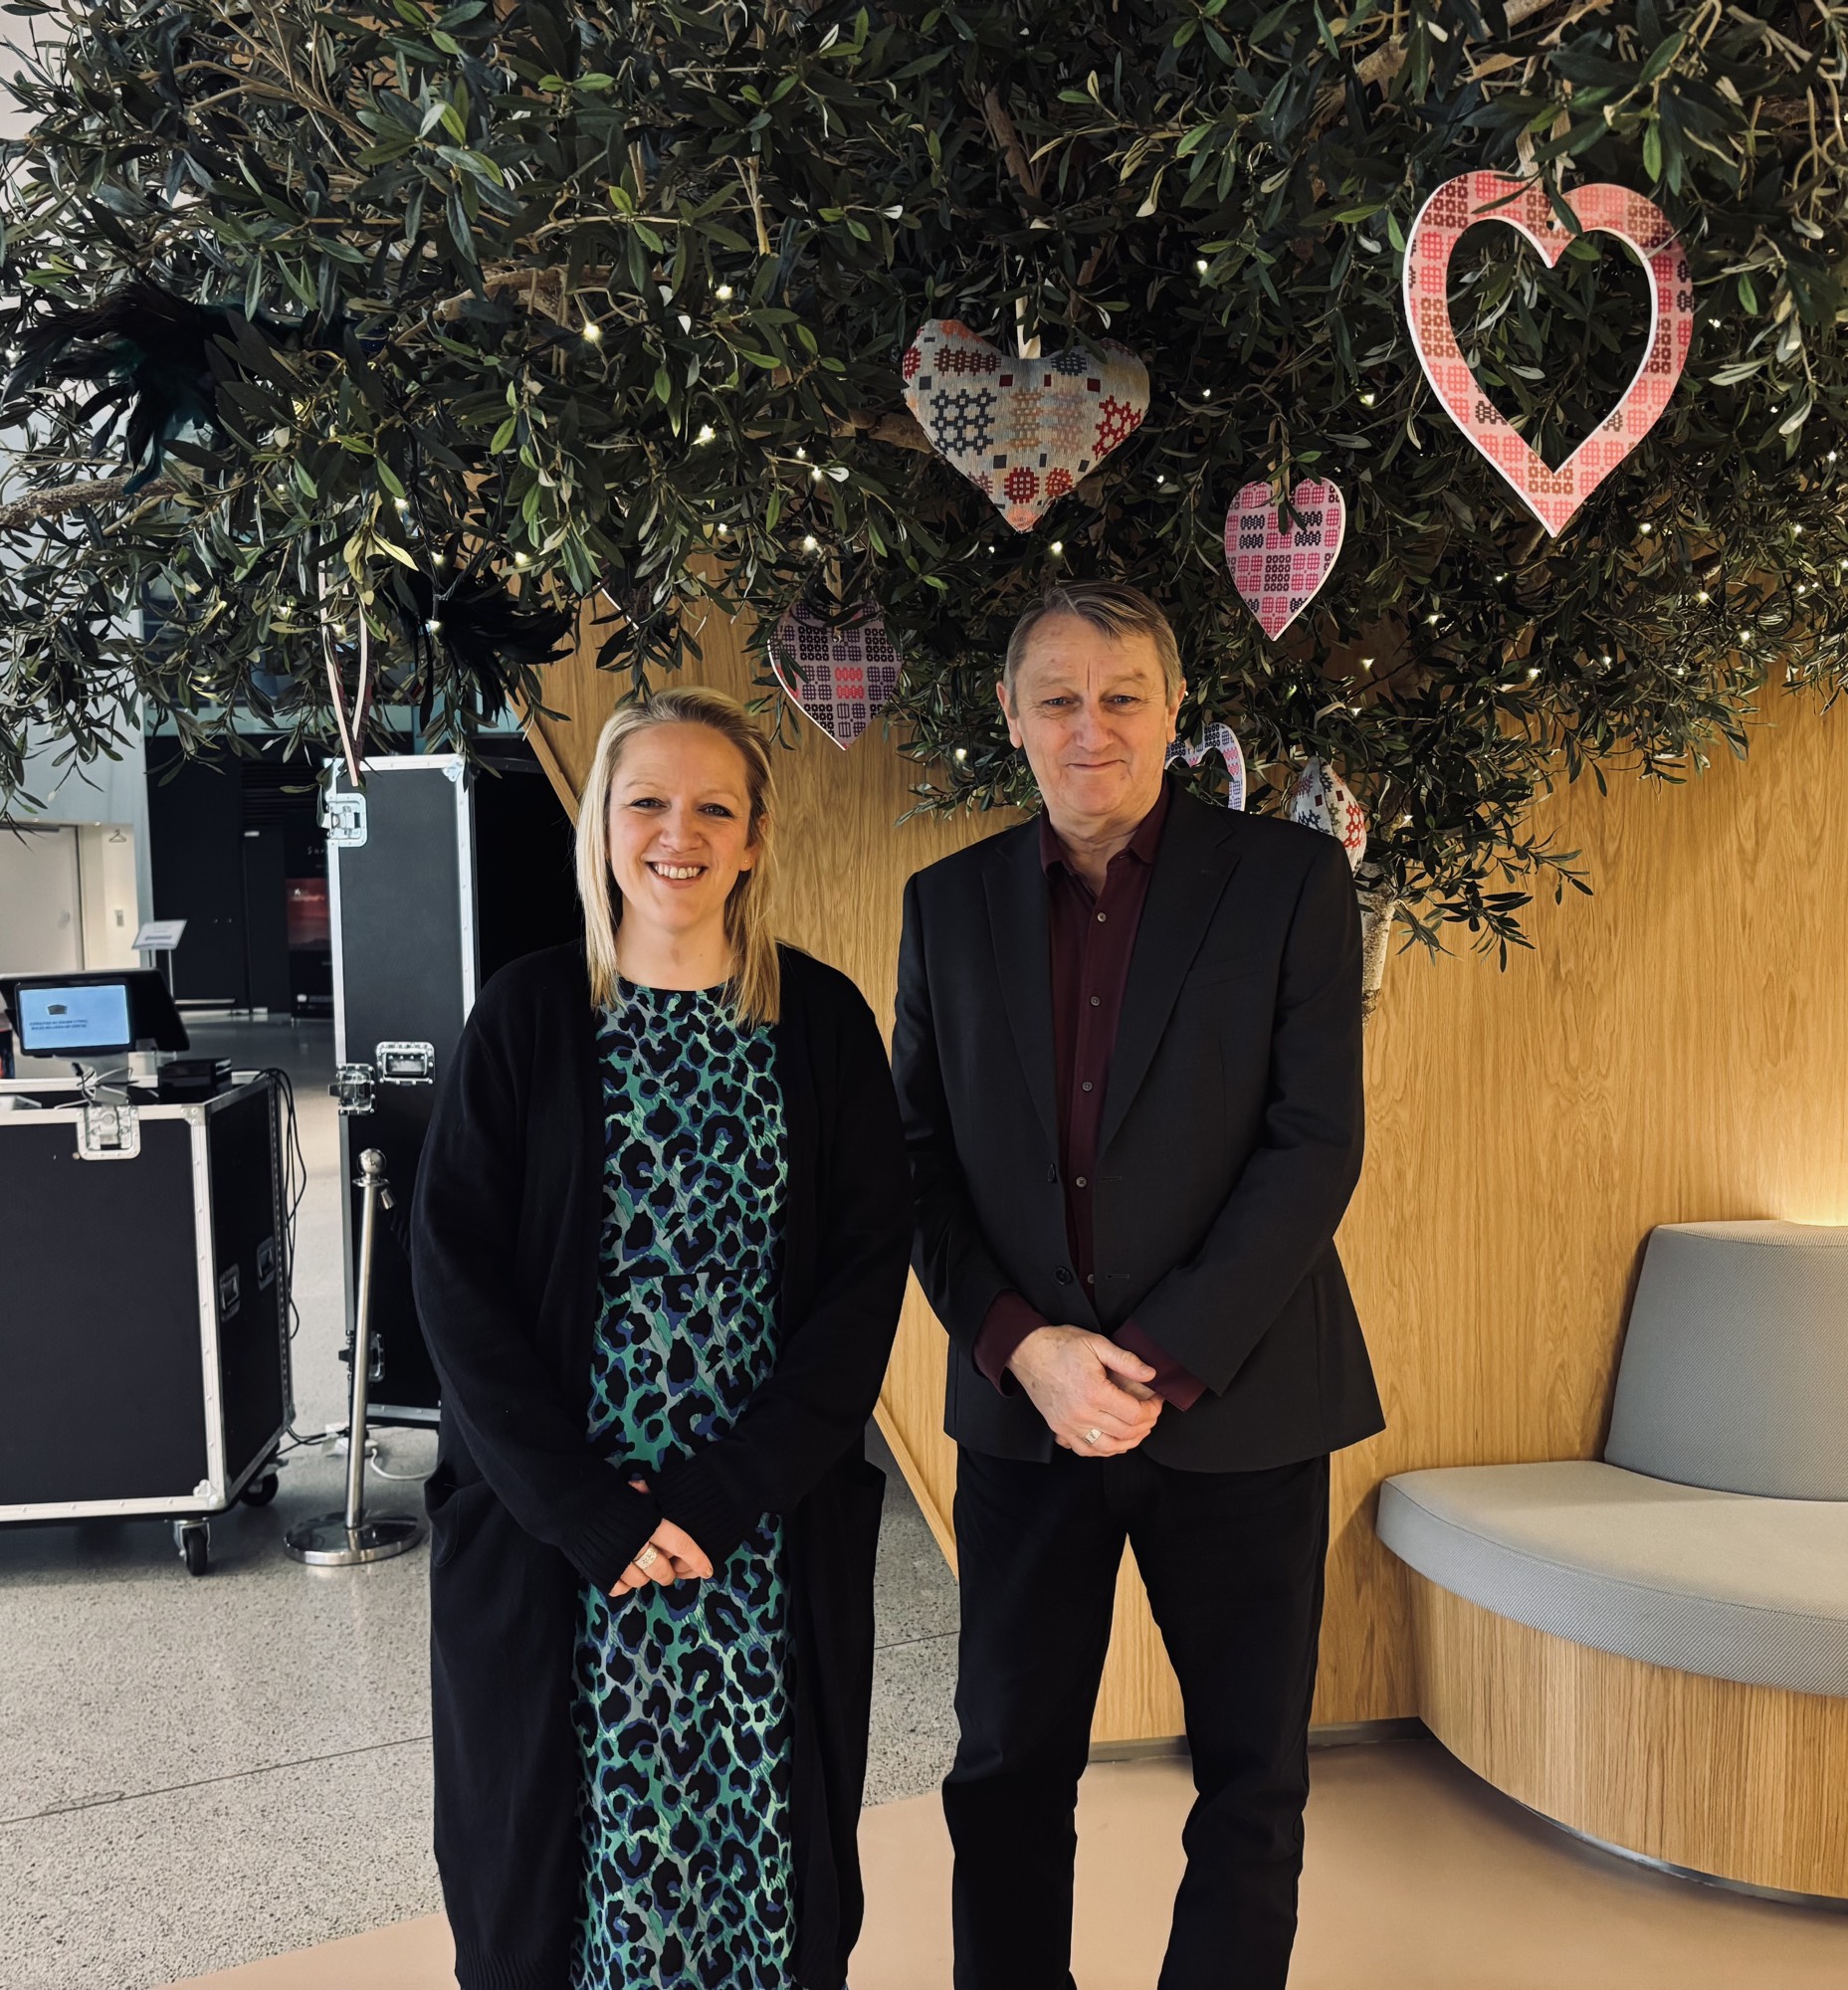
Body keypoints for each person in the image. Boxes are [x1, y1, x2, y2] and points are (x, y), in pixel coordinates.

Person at [893, 581, 1385, 1990]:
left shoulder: (1289, 884)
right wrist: (1023, 1347)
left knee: (1250, 1777)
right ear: (1010, 717)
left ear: (1174, 713)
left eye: (1121, 697)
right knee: (1003, 1769)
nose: (1089, 727)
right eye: (1057, 699)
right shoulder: (945, 907)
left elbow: (1313, 1144)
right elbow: (916, 1161)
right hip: (1024, 1420)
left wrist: (1155, 1359)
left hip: (1240, 1406)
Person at [412, 687, 913, 1990]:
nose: (677, 834)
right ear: (600, 827)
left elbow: (863, 1281)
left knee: (765, 1862)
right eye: (645, 802)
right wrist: (583, 1509)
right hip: (561, 1535)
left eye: (712, 808)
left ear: (753, 838)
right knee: (552, 1881)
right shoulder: (526, 1016)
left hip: (758, 1528)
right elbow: (453, 1282)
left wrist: (727, 1495)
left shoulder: (822, 1023)